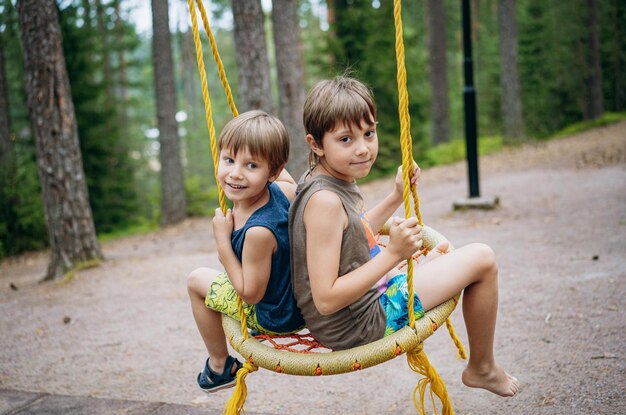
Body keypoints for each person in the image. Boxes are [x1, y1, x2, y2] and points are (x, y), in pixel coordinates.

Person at [288, 76, 518, 397]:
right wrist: (392, 255)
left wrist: (396, 196)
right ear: (315, 144)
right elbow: (326, 299)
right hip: (358, 324)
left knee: (446, 254)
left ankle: (476, 358)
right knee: (482, 258)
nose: (363, 148)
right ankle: (481, 367)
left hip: (357, 307)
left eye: (369, 133)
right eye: (345, 139)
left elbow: (352, 232)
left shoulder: (323, 180)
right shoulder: (324, 201)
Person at [187, 110, 304, 393]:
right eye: (228, 160)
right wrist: (254, 131)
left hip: (276, 316)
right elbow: (289, 179)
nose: (235, 173)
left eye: (251, 165)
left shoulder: (258, 232)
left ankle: (219, 366)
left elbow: (250, 294)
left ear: (272, 172)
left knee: (195, 280)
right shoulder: (283, 189)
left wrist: (222, 244)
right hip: (288, 296)